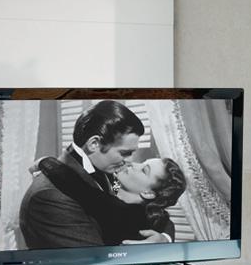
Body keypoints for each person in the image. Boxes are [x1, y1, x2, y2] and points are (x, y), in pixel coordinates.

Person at [20, 100, 157, 248]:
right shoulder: (50, 196)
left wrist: (164, 239)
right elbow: (94, 257)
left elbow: (95, 196)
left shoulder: (109, 174)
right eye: (124, 153)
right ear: (94, 144)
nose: (130, 161)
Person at [34, 155, 186, 246]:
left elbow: (78, 187)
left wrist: (45, 162)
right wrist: (166, 239)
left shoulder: (125, 214)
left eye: (144, 170)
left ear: (148, 193)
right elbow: (166, 219)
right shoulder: (119, 191)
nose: (133, 164)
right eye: (142, 162)